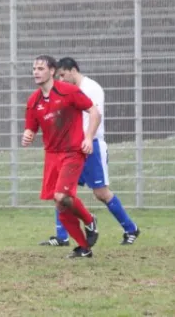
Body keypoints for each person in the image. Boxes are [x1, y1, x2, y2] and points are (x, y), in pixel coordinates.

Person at [39, 57, 140, 247]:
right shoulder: (66, 91)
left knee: (101, 193)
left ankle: (130, 228)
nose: (60, 80)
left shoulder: (91, 88)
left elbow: (96, 115)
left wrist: (87, 138)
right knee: (60, 191)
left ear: (73, 71)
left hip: (91, 147)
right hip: (71, 150)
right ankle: (62, 236)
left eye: (62, 75)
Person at [22, 55, 101, 258]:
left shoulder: (69, 91)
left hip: (73, 152)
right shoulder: (33, 101)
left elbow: (94, 112)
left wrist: (89, 138)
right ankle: (84, 247)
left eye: (40, 68)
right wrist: (27, 135)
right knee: (61, 203)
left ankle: (90, 220)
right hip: (52, 155)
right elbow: (31, 128)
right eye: (34, 69)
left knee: (61, 196)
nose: (36, 72)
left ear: (52, 71)